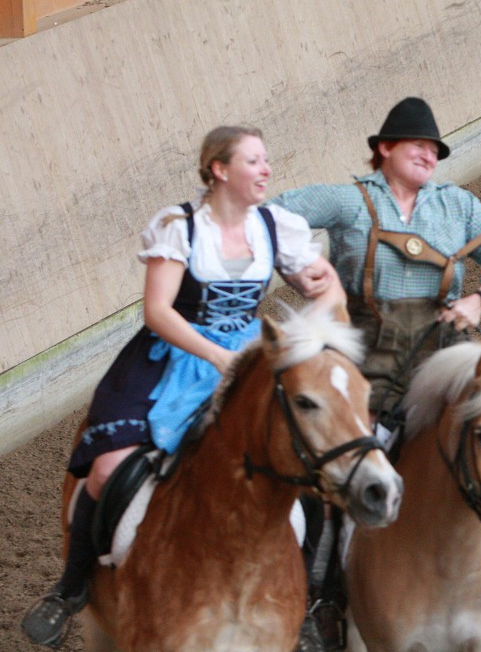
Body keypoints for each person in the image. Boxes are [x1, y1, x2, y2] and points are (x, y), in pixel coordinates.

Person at [273, 97, 481, 619]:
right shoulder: (346, 202)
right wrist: (305, 270)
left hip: (443, 352)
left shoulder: (459, 206)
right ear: (384, 149)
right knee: (337, 463)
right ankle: (323, 590)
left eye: (434, 150)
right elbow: (272, 216)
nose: (429, 156)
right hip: (368, 358)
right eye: (417, 146)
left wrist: (480, 298)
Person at [21, 126, 345, 650]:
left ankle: (305, 603)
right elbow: (157, 311)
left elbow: (327, 285)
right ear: (219, 169)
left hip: (251, 355)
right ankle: (72, 586)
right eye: (254, 161)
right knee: (105, 468)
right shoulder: (179, 227)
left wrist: (319, 302)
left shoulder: (276, 226)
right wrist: (217, 355)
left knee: (304, 477)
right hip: (176, 356)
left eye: (266, 161)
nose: (266, 169)